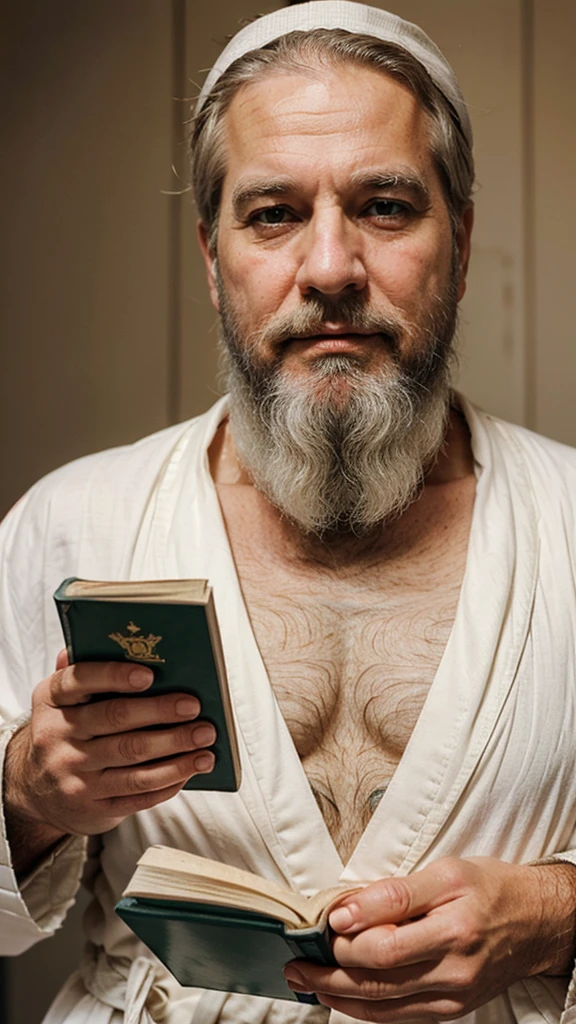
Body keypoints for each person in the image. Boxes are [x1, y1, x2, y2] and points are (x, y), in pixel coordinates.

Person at [1, 3, 576, 1022]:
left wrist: (560, 907)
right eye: (273, 214)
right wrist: (29, 798)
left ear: (465, 236)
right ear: (212, 254)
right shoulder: (71, 524)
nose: (329, 268)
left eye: (387, 206)